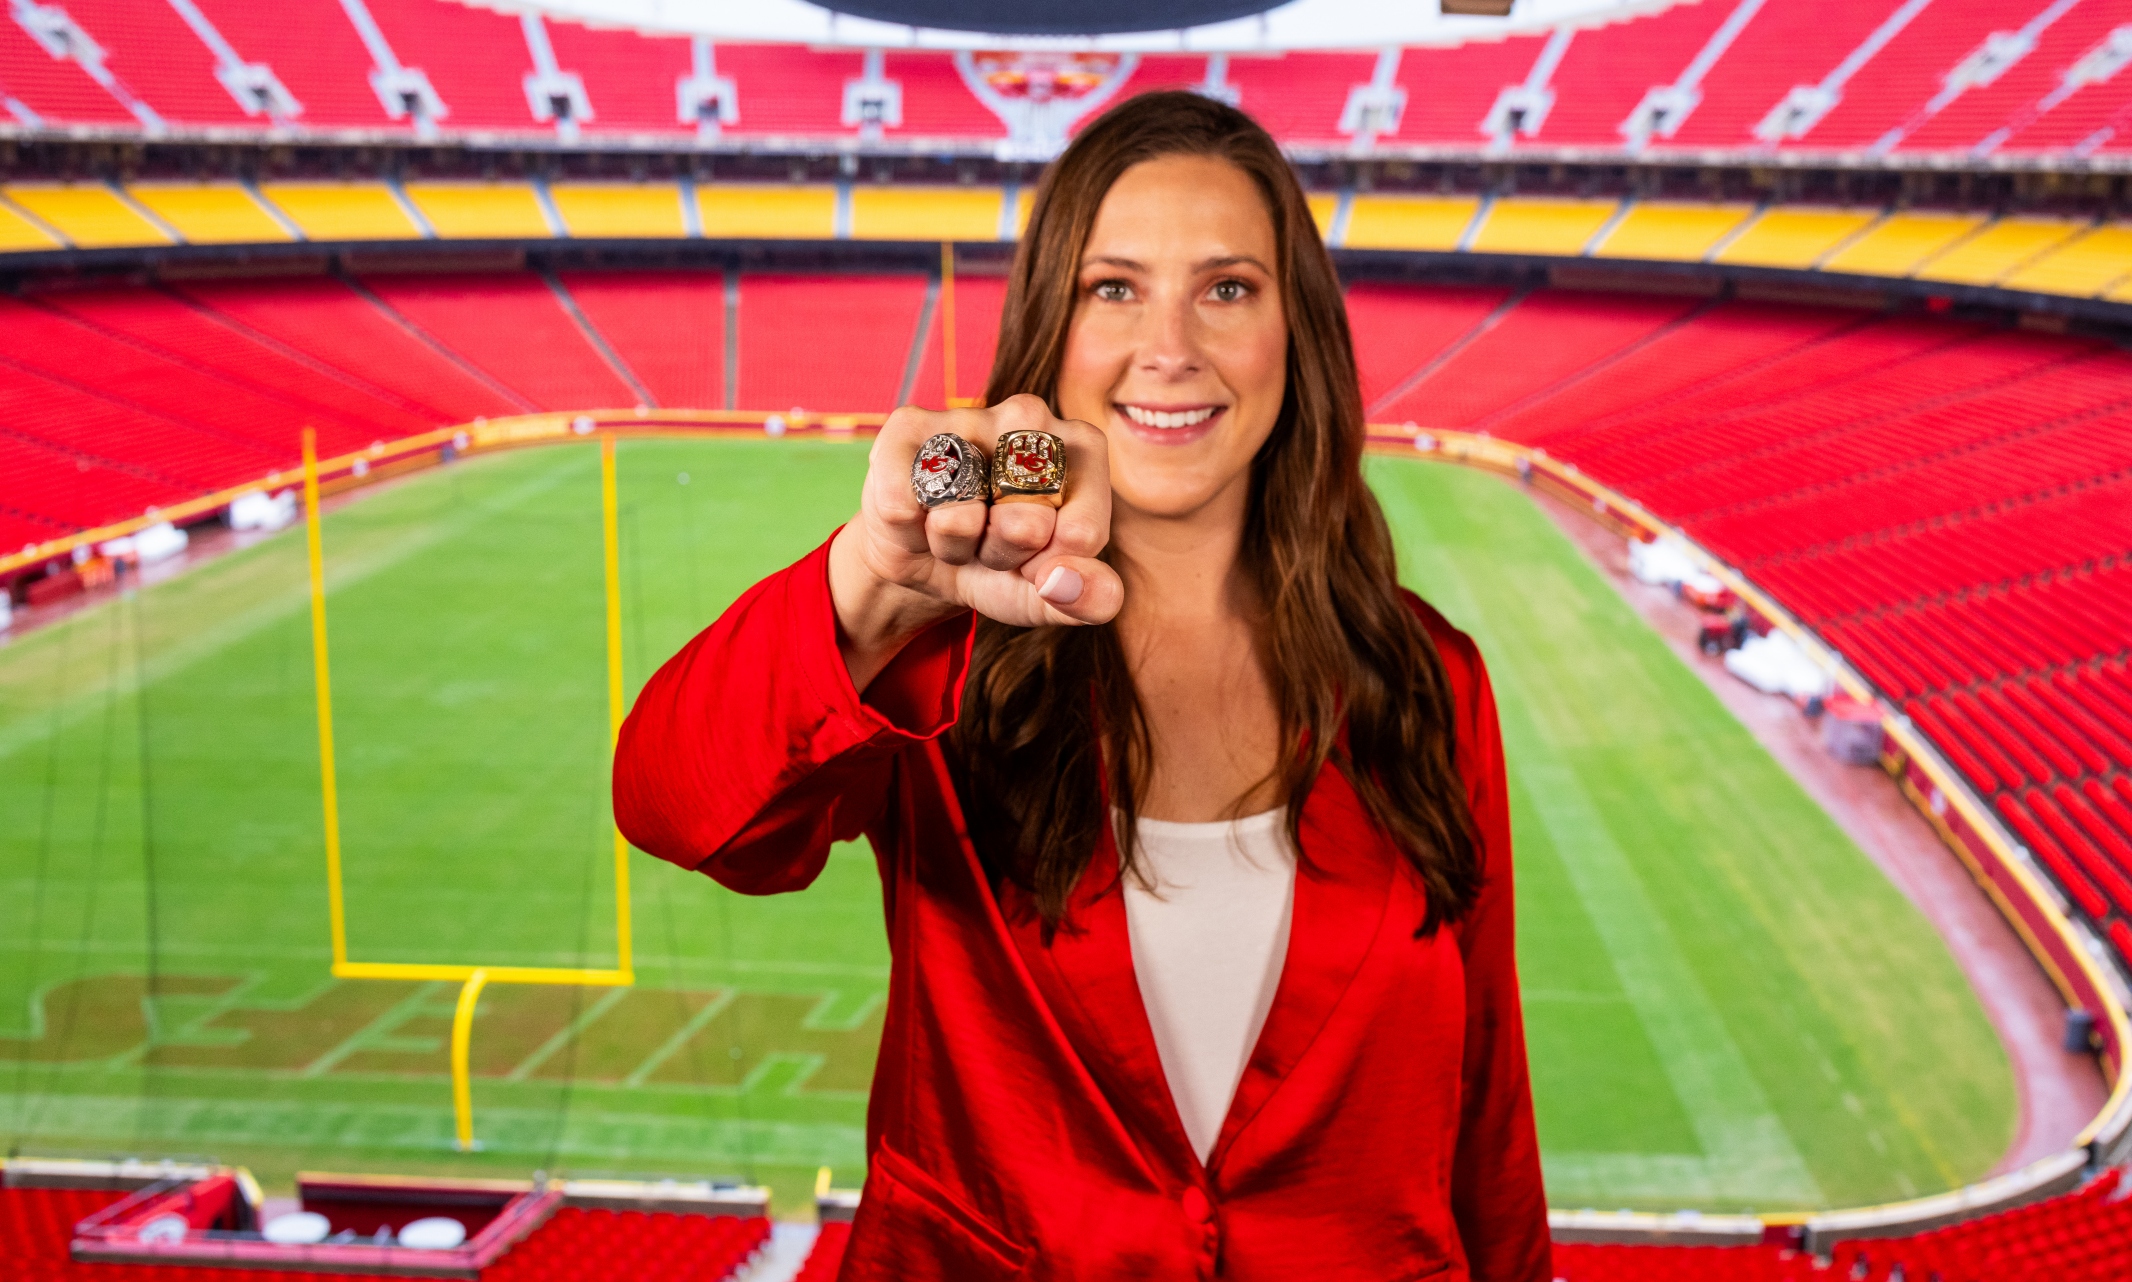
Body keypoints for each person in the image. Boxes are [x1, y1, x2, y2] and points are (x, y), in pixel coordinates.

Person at [614, 90, 1549, 1281]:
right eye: (1114, 288)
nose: (1170, 348)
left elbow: (1489, 1120)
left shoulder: (1428, 677)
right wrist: (872, 580)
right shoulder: (935, 650)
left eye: (1226, 287)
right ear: (1050, 329)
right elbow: (673, 806)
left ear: (1294, 332)